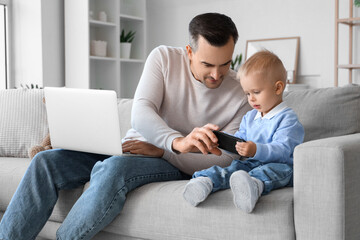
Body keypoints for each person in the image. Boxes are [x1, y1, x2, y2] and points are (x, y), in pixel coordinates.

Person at [0, 13, 251, 239]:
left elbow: (227, 160)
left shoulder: (241, 93)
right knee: (46, 162)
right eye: (208, 65)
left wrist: (166, 151)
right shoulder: (164, 58)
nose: (217, 75)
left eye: (225, 64)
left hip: (173, 163)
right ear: (189, 52)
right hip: (132, 146)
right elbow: (141, 113)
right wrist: (176, 141)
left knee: (114, 167)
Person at [183, 50, 305, 213]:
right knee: (233, 169)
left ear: (277, 88)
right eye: (247, 93)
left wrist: (255, 150)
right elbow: (239, 140)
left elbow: (283, 150)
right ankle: (205, 182)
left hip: (280, 165)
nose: (251, 99)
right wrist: (222, 142)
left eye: (256, 92)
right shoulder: (250, 116)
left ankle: (253, 187)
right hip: (250, 164)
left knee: (271, 171)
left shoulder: (288, 119)